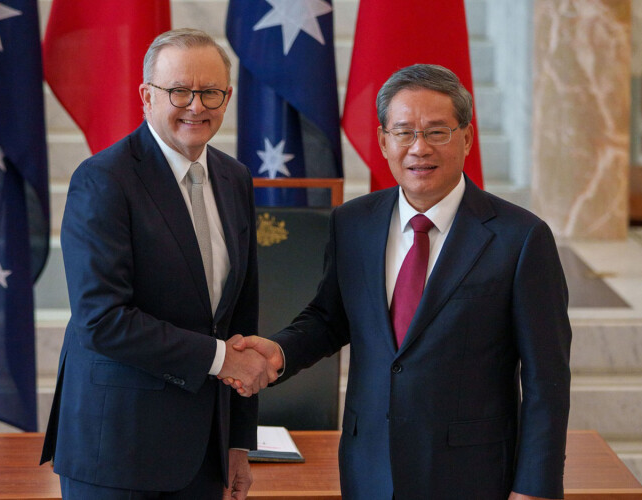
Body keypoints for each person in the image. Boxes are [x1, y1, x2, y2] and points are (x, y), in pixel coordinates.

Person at [227, 64, 572, 500]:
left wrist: (535, 489)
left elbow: (548, 380)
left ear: (467, 138)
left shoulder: (520, 238)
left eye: (437, 132)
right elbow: (330, 319)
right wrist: (278, 352)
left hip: (473, 474)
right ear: (383, 141)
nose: (419, 148)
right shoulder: (353, 223)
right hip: (369, 466)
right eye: (404, 132)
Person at [41, 28, 277, 500]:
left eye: (210, 92)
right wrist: (220, 359)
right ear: (147, 97)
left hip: (206, 453)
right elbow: (103, 320)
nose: (197, 105)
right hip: (118, 452)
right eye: (179, 91)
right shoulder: (103, 180)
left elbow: (239, 316)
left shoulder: (234, 178)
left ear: (226, 97)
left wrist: (237, 442)